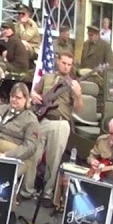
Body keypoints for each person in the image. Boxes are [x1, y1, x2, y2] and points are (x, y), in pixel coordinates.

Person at [32, 52, 84, 208]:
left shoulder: (73, 83)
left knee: (53, 161)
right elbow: (35, 91)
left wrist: (78, 95)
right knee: (33, 153)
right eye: (64, 63)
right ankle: (27, 189)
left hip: (60, 123)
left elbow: (79, 109)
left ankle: (47, 193)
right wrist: (34, 95)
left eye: (69, 64)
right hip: (42, 119)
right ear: (57, 61)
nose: (66, 66)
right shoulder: (47, 77)